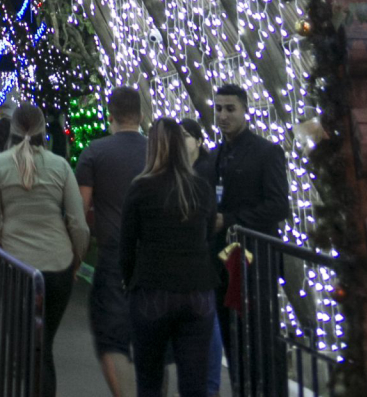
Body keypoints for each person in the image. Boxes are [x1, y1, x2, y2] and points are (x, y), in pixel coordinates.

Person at [0, 102, 90, 397]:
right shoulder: (60, 166)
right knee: (44, 348)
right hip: (57, 265)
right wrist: (76, 262)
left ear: (12, 130)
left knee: (23, 347)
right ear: (44, 130)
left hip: (15, 269)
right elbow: (78, 224)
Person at [119, 117, 218, 397]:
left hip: (152, 287)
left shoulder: (140, 188)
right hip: (197, 288)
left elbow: (127, 246)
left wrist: (129, 283)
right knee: (194, 381)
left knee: (149, 380)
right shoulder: (201, 188)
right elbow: (208, 237)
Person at [200, 86, 289, 393]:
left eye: (230, 109)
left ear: (244, 110)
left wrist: (231, 220)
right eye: (219, 109)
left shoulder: (267, 152)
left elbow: (279, 206)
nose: (223, 116)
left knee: (261, 335)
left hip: (256, 260)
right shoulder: (214, 156)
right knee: (229, 334)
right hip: (221, 261)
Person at [76, 85, 148, 397]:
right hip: (154, 253)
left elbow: (81, 210)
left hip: (113, 253)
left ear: (111, 116)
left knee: (112, 335)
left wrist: (77, 251)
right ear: (141, 115)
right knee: (153, 335)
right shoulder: (157, 150)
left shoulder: (95, 152)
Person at [181, 120, 225, 394]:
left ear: (198, 141)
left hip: (207, 252)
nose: (181, 141)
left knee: (209, 318)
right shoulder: (184, 172)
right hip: (195, 254)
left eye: (186, 136)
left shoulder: (204, 172)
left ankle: (208, 386)